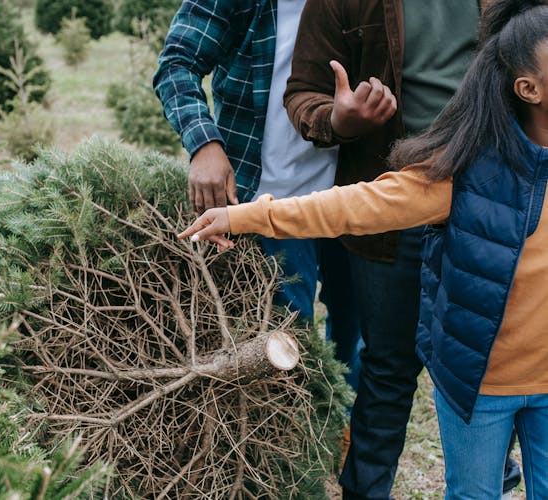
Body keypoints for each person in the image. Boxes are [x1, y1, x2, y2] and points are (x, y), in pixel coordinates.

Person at [178, 0, 548, 498]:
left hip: (499, 188)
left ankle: (494, 452)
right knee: (390, 367)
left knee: (496, 321)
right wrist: (340, 120)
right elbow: (351, 192)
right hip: (410, 198)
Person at [283, 0, 519, 497]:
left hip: (495, 200)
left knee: (498, 356)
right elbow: (303, 94)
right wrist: (342, 120)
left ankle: (492, 469)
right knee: (389, 366)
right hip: (394, 205)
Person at [153, 0, 362, 391]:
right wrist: (204, 145)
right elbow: (177, 63)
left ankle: (342, 434)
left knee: (356, 337)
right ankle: (297, 436)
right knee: (283, 342)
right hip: (269, 201)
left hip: (356, 194)